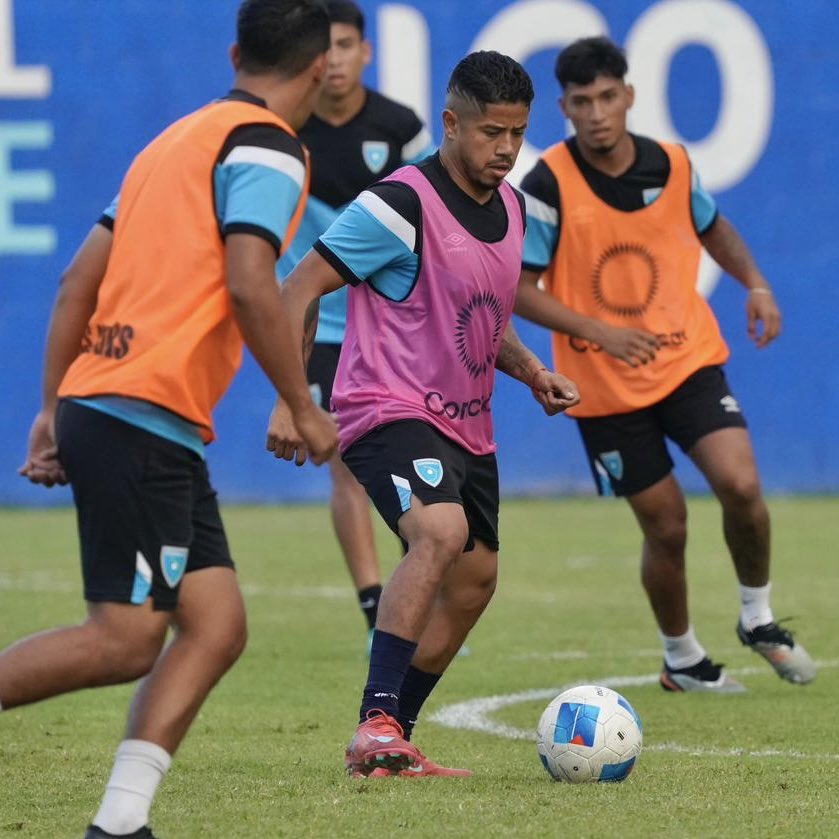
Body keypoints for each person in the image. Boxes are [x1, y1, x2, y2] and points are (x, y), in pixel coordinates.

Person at [6, 2, 336, 837]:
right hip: (140, 414)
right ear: (323, 68)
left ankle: (120, 823)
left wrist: (52, 407)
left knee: (216, 624)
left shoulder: (171, 143)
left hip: (123, 408)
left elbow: (76, 282)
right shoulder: (268, 147)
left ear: (235, 53)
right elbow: (250, 281)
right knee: (122, 640)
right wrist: (301, 403)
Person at [269, 50, 580, 777]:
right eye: (490, 132)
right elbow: (299, 286)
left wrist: (534, 371)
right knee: (439, 531)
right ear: (450, 123)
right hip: (384, 407)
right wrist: (292, 398)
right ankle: (376, 720)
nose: (505, 149)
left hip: (468, 423)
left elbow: (482, 314)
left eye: (516, 133)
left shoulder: (507, 207)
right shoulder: (398, 202)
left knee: (475, 581)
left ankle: (389, 740)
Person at [515, 36, 816, 693]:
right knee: (667, 525)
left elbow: (712, 226)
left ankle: (757, 617)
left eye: (605, 97)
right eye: (579, 101)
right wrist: (597, 330)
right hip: (602, 389)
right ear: (562, 109)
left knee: (740, 485)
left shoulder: (673, 165)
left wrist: (755, 282)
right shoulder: (548, 183)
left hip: (686, 361)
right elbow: (517, 286)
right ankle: (681, 657)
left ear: (627, 95)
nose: (595, 112)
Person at [270, 0, 435, 648]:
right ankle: (375, 606)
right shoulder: (286, 129)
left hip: (392, 323)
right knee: (342, 460)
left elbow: (437, 206)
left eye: (346, 45)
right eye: (325, 48)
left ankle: (409, 590)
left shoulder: (400, 127)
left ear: (365, 52)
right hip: (321, 324)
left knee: (409, 455)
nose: (334, 59)